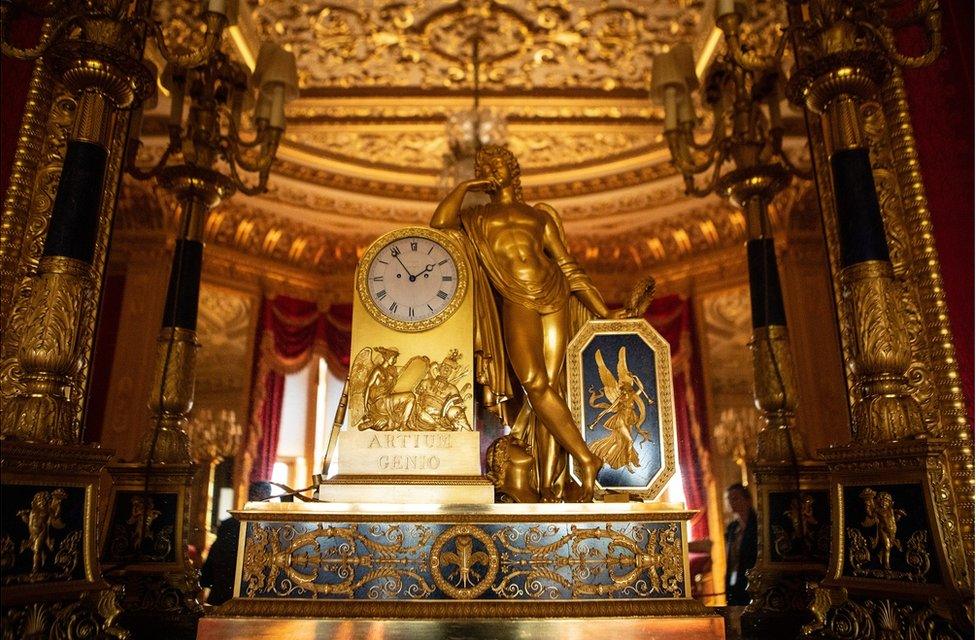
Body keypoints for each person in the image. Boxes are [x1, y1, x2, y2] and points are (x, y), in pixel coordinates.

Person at [431, 145, 630, 502]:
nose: (488, 168)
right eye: (482, 166)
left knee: (552, 387)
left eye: (494, 163)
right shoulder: (477, 216)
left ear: (512, 169)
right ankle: (585, 457)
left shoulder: (539, 215)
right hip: (515, 297)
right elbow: (439, 223)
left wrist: (602, 311)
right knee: (536, 385)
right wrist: (466, 187)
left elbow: (568, 266)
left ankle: (551, 483)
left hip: (553, 293)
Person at [200, 481, 273, 606]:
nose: (258, 498)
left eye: (261, 495)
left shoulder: (271, 526)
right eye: (256, 494)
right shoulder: (231, 524)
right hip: (229, 588)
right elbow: (217, 555)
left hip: (250, 588)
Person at [724, 483, 758, 605]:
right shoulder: (732, 528)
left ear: (748, 500)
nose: (732, 503)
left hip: (752, 580)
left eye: (735, 498)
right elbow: (731, 559)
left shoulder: (758, 525)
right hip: (734, 579)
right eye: (729, 500)